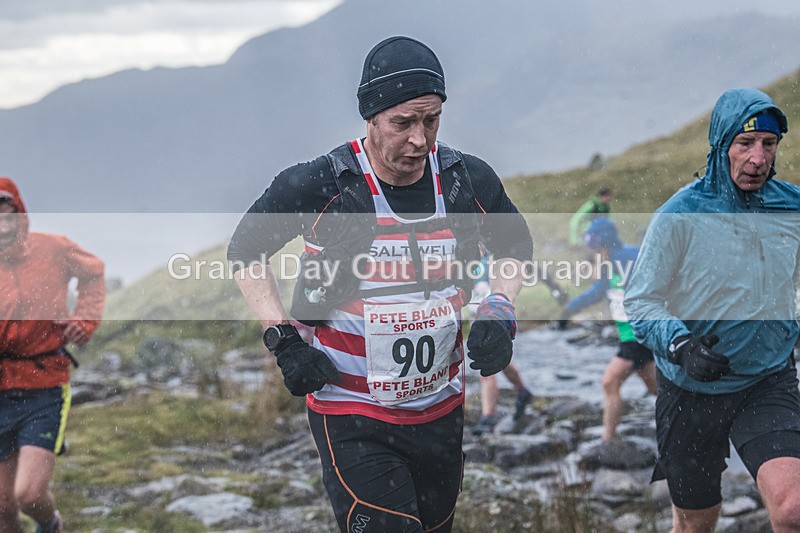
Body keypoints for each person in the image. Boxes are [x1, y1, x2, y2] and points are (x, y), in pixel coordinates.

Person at [228, 36, 532, 532]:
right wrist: (282, 338)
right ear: (370, 118)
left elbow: (514, 244)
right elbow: (246, 251)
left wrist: (500, 308)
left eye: (431, 121)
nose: (420, 139)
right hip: (350, 412)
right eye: (403, 123)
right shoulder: (320, 184)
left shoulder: (466, 181)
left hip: (440, 407)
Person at [624, 88, 800, 533]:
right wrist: (680, 344)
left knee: (794, 509)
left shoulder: (792, 206)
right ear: (721, 146)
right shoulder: (680, 214)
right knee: (695, 524)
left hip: (767, 381)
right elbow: (640, 300)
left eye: (769, 144)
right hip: (690, 392)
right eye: (745, 144)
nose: (758, 158)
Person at [0, 178, 106, 533]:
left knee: (29, 495)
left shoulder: (52, 249)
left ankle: (50, 524)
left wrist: (84, 321)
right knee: (3, 507)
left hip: (44, 385)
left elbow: (93, 272)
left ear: (19, 214)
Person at [558, 217, 656, 442]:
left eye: (592, 243)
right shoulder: (610, 264)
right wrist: (568, 311)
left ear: (604, 241)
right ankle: (689, 418)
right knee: (657, 388)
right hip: (629, 336)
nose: (590, 249)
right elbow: (596, 292)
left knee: (609, 382)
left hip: (638, 335)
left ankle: (607, 440)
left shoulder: (631, 257)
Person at [467, 254, 533, 435]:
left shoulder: (497, 259)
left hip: (495, 318)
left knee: (487, 366)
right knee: (501, 361)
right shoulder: (469, 259)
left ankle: (487, 417)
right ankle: (522, 391)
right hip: (477, 317)